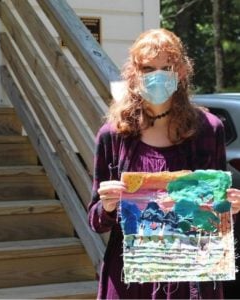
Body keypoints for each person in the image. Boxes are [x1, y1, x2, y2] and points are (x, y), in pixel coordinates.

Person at [88, 28, 240, 299]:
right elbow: (96, 221)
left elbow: (214, 217)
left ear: (181, 71)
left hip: (191, 278)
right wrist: (108, 205)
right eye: (148, 68)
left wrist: (229, 207)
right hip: (131, 280)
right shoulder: (113, 135)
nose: (157, 76)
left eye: (166, 67)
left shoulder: (208, 130)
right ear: (134, 73)